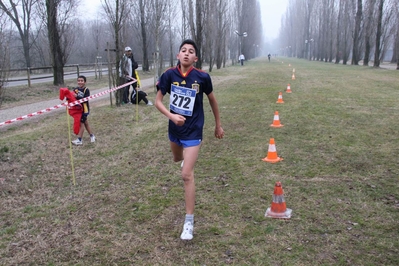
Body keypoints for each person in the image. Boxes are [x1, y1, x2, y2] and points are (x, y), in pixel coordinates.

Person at [155, 39, 224, 241]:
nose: (186, 53)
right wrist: (172, 116)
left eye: (191, 51)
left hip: (194, 131)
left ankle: (189, 222)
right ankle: (185, 160)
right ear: (178, 55)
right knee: (177, 159)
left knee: (186, 175)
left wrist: (218, 125)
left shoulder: (202, 77)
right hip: (175, 130)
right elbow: (158, 101)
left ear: (195, 58)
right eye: (183, 50)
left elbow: (212, 100)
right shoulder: (169, 75)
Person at [71, 75, 95, 145]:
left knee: (81, 124)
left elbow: (85, 99)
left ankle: (79, 140)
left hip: (84, 110)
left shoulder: (86, 90)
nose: (80, 82)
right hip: (78, 110)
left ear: (85, 82)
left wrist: (77, 96)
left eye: (82, 81)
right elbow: (72, 96)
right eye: (79, 81)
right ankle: (92, 135)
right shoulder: (76, 89)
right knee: (86, 123)